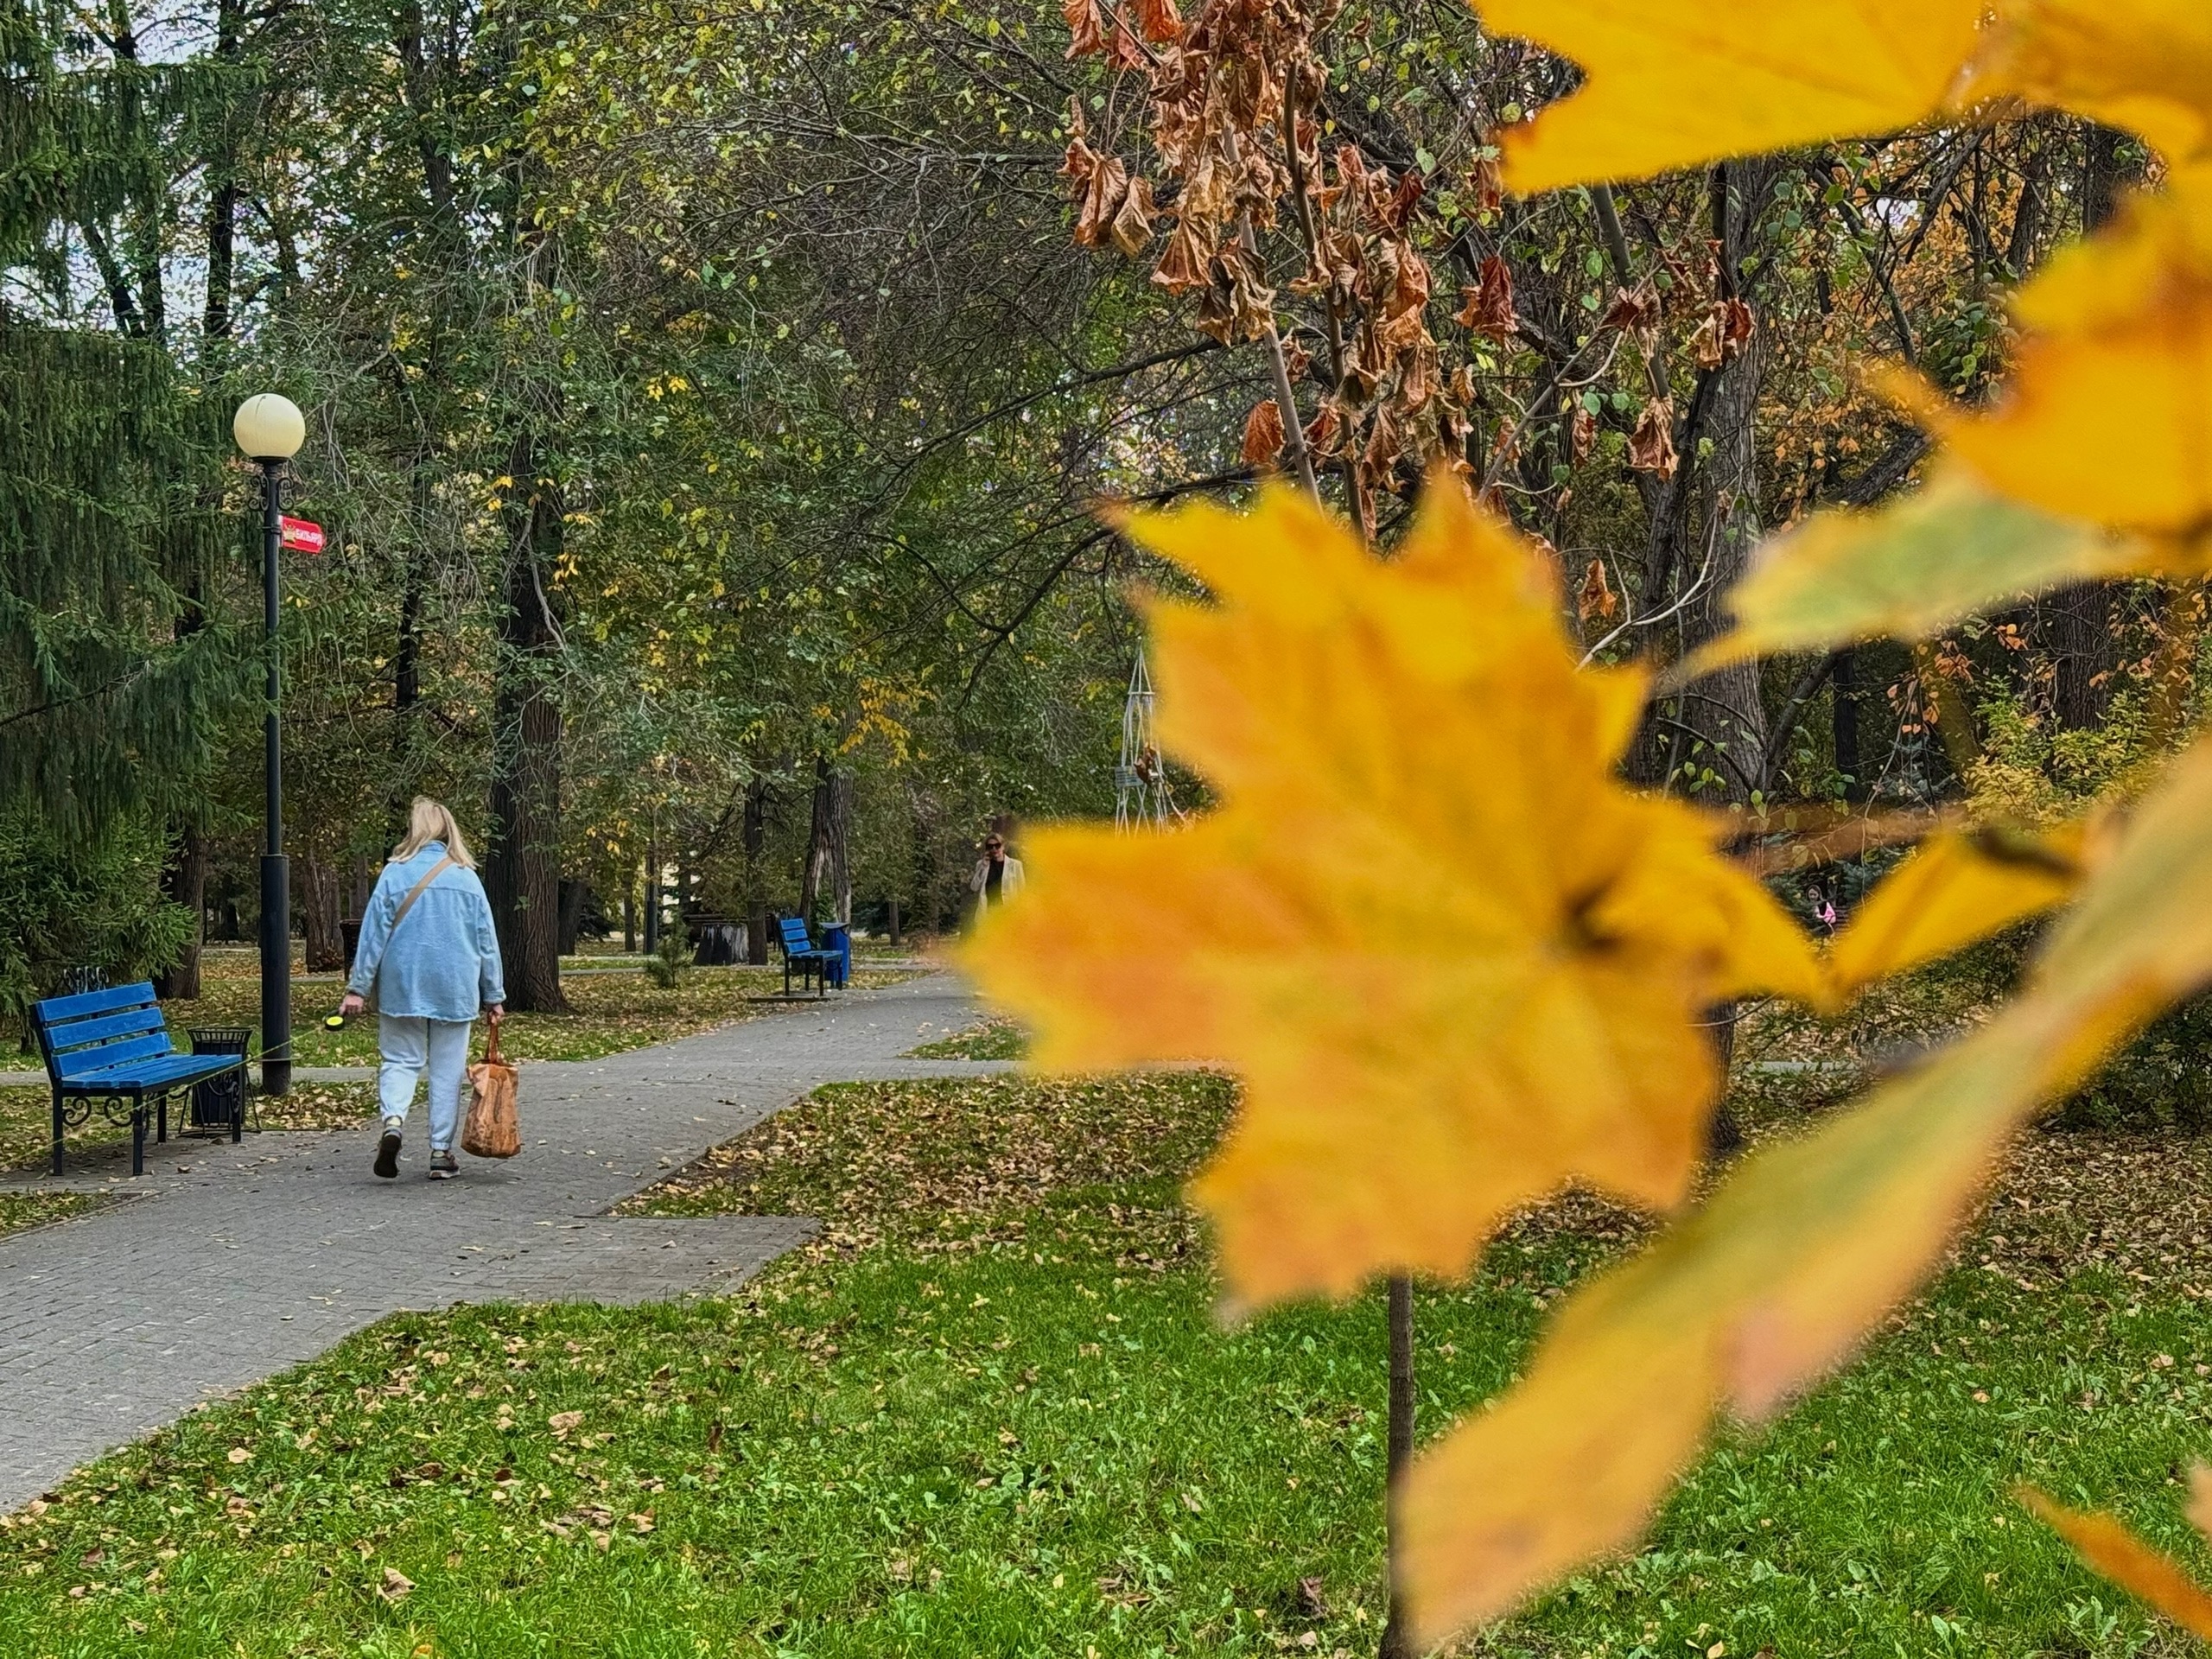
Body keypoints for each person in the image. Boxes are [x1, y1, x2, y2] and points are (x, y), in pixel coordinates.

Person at [339, 798, 505, 1180]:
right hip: (455, 986)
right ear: (449, 830)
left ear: (414, 830)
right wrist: (493, 995)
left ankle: (394, 1121)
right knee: (447, 1071)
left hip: (403, 983)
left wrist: (358, 988)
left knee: (399, 1060)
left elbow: (372, 935)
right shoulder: (467, 877)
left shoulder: (394, 874)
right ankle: (440, 1153)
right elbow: (486, 941)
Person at [969, 831, 1025, 912]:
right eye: (990, 846)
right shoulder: (981, 864)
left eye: (997, 846)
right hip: (988, 912)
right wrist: (983, 867)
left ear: (1003, 847)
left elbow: (1022, 891)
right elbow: (974, 887)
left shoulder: (1015, 865)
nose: (994, 849)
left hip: (1009, 912)